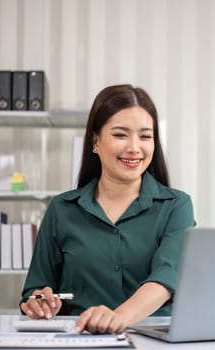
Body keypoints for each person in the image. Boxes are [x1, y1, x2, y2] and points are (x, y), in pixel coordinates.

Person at [19, 84, 195, 334]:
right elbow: (36, 287)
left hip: (152, 340)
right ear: (95, 141)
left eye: (145, 136)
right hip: (81, 339)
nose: (134, 147)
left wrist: (117, 317)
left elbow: (166, 278)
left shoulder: (176, 206)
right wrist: (40, 301)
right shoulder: (61, 209)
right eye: (121, 135)